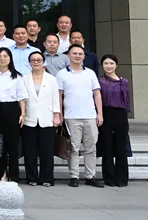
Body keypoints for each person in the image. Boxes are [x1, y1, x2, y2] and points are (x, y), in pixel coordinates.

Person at [57, 44, 104, 188]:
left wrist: (100, 114)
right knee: (73, 148)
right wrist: (60, 114)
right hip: (71, 116)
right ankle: (74, 176)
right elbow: (59, 95)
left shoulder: (90, 73)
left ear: (84, 56)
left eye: (80, 54)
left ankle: (90, 176)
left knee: (91, 148)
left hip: (90, 116)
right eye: (74, 53)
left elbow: (97, 94)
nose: (77, 56)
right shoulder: (62, 74)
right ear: (69, 55)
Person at [22, 51, 61, 187]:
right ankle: (31, 177)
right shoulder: (24, 79)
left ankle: (47, 178)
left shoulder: (51, 79)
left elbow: (56, 98)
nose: (36, 62)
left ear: (44, 62)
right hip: (29, 118)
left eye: (39, 60)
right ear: (29, 63)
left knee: (47, 151)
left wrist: (57, 115)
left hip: (47, 118)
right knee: (30, 151)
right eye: (33, 60)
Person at [0, 47, 27, 182]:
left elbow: (21, 96)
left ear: (10, 58)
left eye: (5, 56)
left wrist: (23, 114)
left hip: (12, 109)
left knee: (13, 145)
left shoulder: (17, 76)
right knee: (0, 144)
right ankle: (1, 175)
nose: (2, 59)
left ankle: (14, 176)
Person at [98, 54, 129, 187]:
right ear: (102, 65)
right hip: (106, 114)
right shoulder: (99, 81)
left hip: (121, 115)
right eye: (106, 63)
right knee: (107, 147)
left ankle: (122, 178)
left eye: (111, 63)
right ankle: (109, 178)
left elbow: (126, 100)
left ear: (116, 65)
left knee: (121, 147)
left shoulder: (124, 81)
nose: (109, 66)